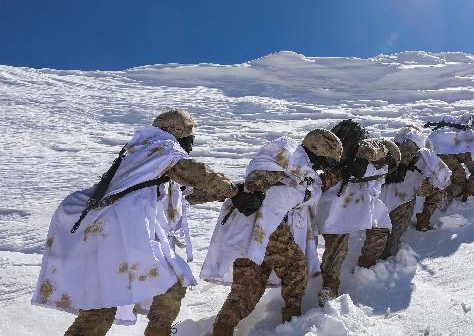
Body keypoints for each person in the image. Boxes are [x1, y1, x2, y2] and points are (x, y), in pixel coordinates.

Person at [32, 109, 237, 336]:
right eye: (190, 138)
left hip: (102, 235)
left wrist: (227, 193)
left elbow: (185, 194)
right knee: (172, 284)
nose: (191, 144)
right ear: (177, 134)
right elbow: (197, 174)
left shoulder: (141, 156)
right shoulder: (163, 148)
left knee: (102, 304)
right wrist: (234, 191)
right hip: (120, 234)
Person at [205, 129, 343, 335]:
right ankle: (292, 326)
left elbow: (316, 183)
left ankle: (222, 328)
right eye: (327, 162)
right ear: (319, 151)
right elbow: (261, 170)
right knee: (296, 269)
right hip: (263, 223)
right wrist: (258, 188)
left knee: (247, 288)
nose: (324, 167)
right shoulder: (289, 150)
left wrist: (342, 171)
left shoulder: (307, 173)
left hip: (257, 227)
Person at [315, 119, 391, 306]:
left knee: (378, 229)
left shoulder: (367, 152)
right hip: (338, 206)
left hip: (357, 204)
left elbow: (385, 153)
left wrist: (364, 159)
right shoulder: (328, 159)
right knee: (339, 241)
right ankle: (335, 283)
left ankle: (363, 270)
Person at [366, 125, 451, 260]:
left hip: (379, 193)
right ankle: (424, 218)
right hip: (405, 195)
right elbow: (443, 177)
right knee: (395, 230)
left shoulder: (393, 145)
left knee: (379, 223)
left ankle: (370, 261)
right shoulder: (423, 150)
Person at [418, 111, 474, 231]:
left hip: (431, 157)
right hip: (447, 160)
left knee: (436, 184)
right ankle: (446, 198)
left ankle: (425, 214)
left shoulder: (445, 128)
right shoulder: (467, 139)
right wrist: (469, 190)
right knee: (459, 183)